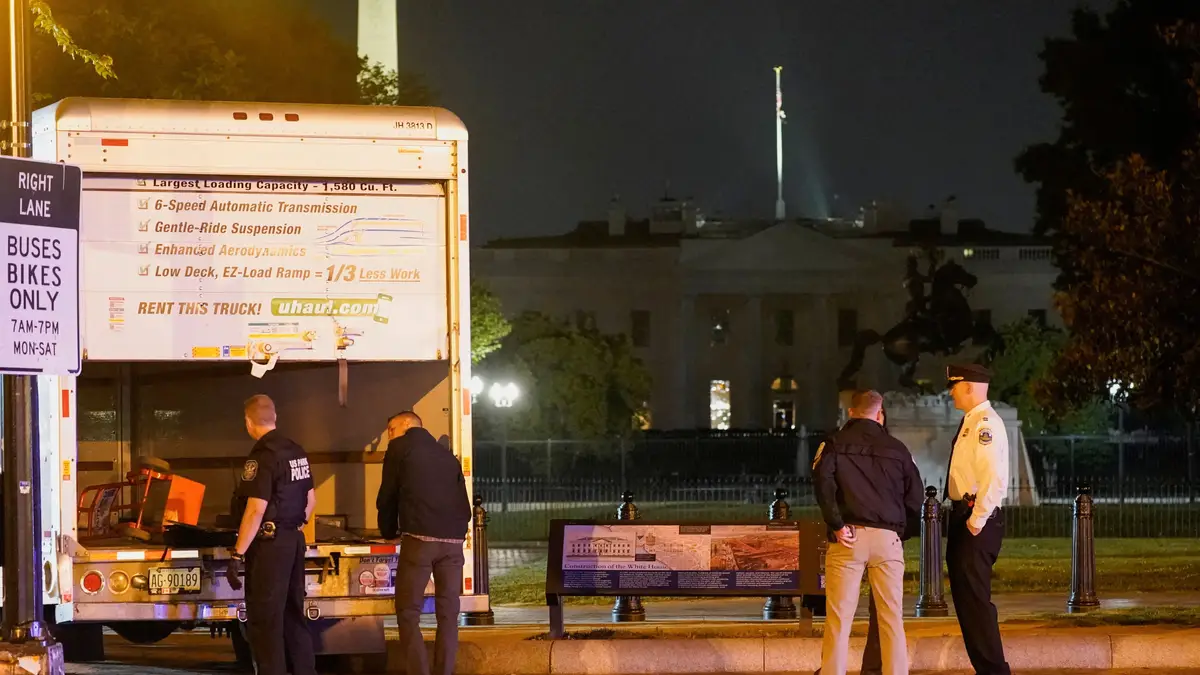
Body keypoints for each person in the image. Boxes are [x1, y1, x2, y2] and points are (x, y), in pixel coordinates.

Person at [814, 390, 924, 675]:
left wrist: (837, 524)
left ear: (851, 412)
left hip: (848, 536)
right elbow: (915, 497)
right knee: (891, 619)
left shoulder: (833, 444)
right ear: (880, 413)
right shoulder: (898, 449)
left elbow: (823, 486)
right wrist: (899, 532)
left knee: (839, 619)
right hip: (887, 538)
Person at [225, 394, 316, 675]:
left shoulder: (262, 457)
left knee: (265, 621)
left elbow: (255, 509)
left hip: (270, 547)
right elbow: (311, 500)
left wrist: (238, 553)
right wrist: (293, 528)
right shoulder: (297, 451)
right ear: (275, 417)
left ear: (248, 422)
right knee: (293, 614)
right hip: (293, 540)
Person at [377, 411, 471, 675]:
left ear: (407, 425)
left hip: (419, 541)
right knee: (448, 615)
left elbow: (388, 494)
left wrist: (388, 531)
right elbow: (464, 506)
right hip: (453, 543)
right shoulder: (447, 456)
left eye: (391, 430)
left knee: (408, 612)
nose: (389, 437)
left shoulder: (399, 448)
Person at [944, 364, 1011, 675]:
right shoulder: (973, 420)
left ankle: (994, 671)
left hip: (974, 521)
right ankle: (987, 669)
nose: (950, 392)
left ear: (969, 386)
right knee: (969, 605)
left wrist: (976, 520)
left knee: (975, 606)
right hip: (966, 519)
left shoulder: (985, 424)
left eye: (954, 386)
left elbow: (994, 478)